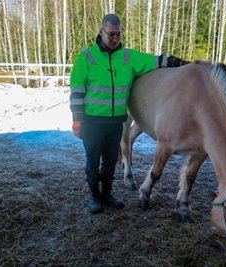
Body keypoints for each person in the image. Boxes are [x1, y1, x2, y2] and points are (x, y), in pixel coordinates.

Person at [70, 13, 189, 214]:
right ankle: (94, 197)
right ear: (101, 32)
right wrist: (77, 120)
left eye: (118, 35)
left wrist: (185, 65)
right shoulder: (86, 57)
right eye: (111, 34)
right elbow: (76, 91)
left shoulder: (128, 57)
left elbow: (157, 61)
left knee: (109, 163)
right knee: (93, 163)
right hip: (92, 122)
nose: (115, 39)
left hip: (116, 121)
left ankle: (107, 195)